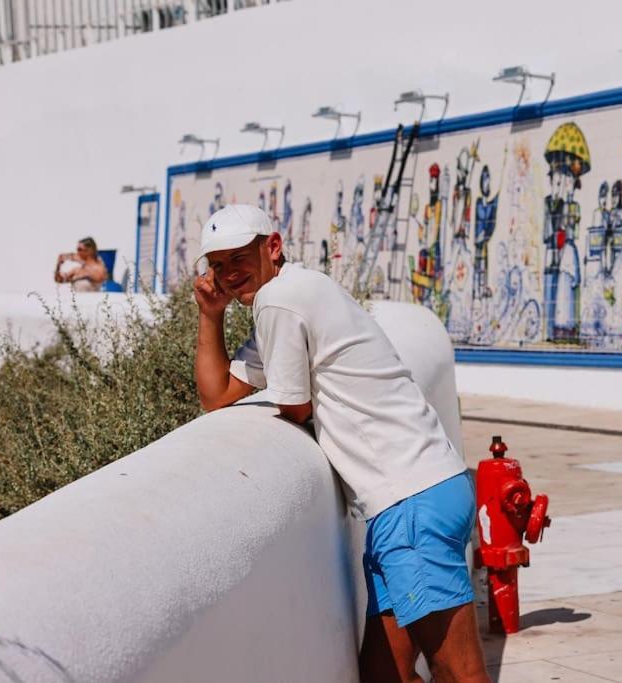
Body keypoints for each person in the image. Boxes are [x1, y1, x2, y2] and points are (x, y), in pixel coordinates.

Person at [192, 205, 489, 683]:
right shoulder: (299, 290)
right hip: (419, 494)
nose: (228, 274)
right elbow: (218, 396)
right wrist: (211, 315)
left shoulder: (280, 300)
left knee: (458, 674)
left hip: (409, 502)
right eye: (218, 264)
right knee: (383, 676)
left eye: (239, 257)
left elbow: (295, 407)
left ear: (273, 247)